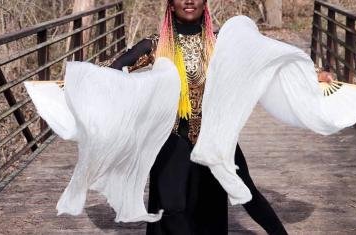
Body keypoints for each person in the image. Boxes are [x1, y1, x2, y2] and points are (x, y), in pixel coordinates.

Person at [106, 0, 333, 234]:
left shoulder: (222, 43)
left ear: (205, 3)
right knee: (171, 205)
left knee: (247, 194)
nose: (189, 1)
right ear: (171, 5)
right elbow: (112, 71)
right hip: (172, 138)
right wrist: (81, 83)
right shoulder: (155, 45)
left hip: (216, 137)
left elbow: (272, 59)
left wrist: (314, 75)